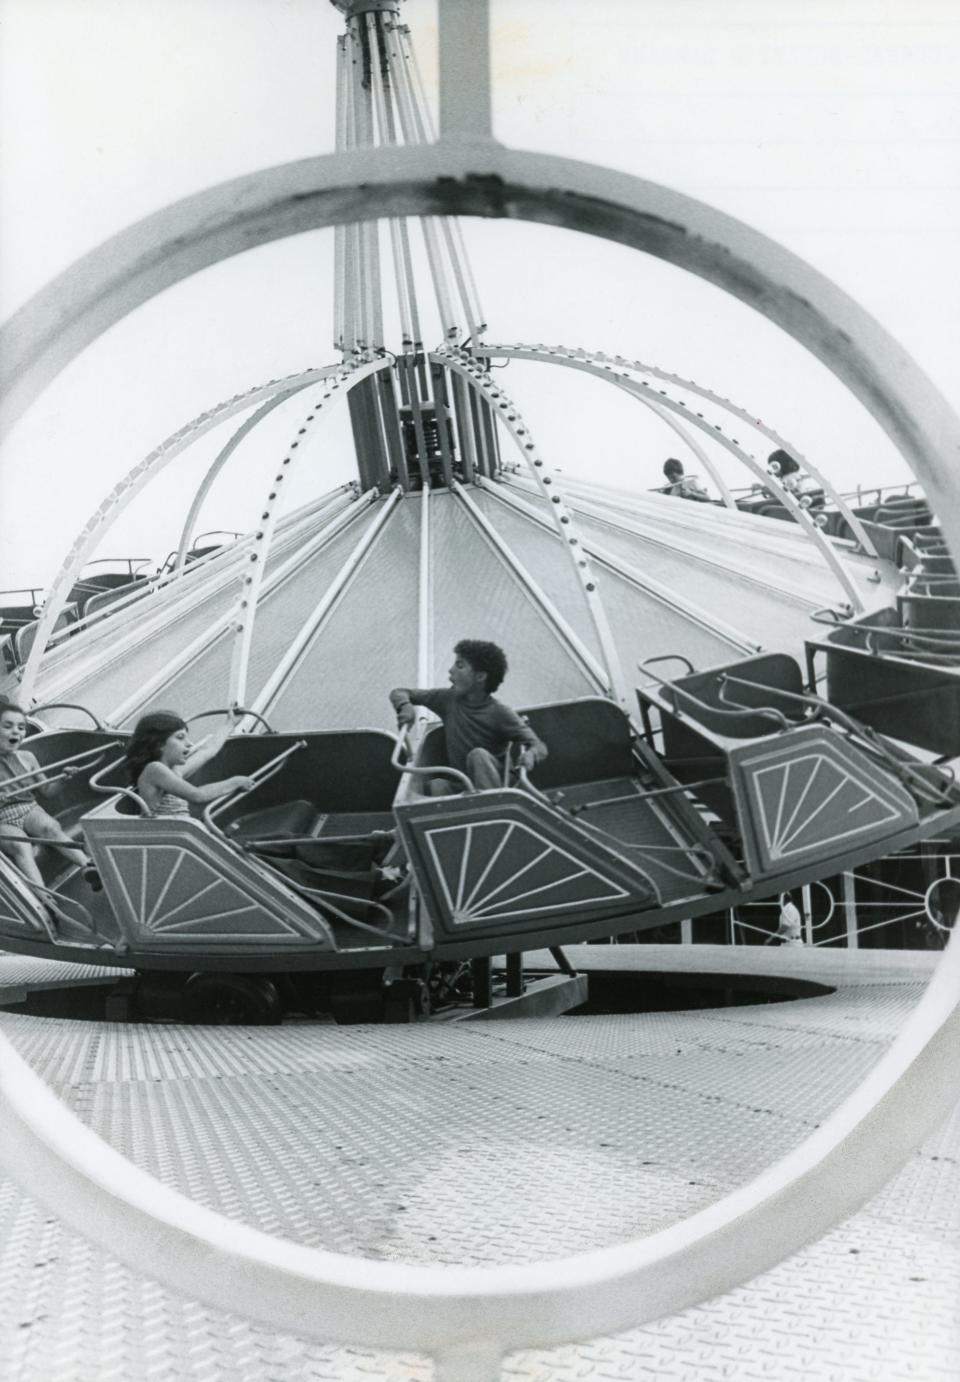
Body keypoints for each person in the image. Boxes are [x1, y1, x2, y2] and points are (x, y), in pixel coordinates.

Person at [390, 640, 548, 793]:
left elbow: (539, 747)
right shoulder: (447, 699)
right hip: (466, 785)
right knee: (434, 786)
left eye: (460, 665)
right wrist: (405, 706)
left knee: (478, 755)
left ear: (480, 677)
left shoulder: (500, 713)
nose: (450, 670)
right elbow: (400, 692)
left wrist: (531, 754)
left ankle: (490, 806)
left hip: (499, 786)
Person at [0, 698, 100, 891]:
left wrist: (63, 779)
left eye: (21, 727)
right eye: (8, 726)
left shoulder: (27, 758)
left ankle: (88, 867)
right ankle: (44, 898)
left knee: (50, 828)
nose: (16, 732)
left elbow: (47, 791)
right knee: (22, 847)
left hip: (28, 809)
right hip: (2, 819)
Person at [125, 710, 255, 816]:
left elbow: (208, 751)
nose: (189, 743)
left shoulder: (174, 771)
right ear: (159, 744)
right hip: (164, 838)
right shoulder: (154, 769)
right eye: (180, 737)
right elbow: (197, 795)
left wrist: (230, 724)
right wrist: (236, 782)